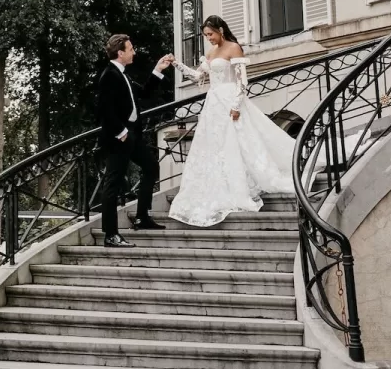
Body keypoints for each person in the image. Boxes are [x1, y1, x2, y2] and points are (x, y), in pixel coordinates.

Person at [164, 15, 294, 227]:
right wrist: (176, 64)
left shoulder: (234, 48)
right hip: (213, 104)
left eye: (211, 34)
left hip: (230, 101)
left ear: (220, 30)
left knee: (240, 142)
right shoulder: (210, 53)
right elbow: (198, 77)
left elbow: (243, 81)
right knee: (217, 145)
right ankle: (221, 184)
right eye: (206, 35)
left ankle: (243, 184)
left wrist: (236, 105)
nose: (209, 38)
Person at [96, 34, 174, 248]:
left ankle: (142, 217)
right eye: (131, 49)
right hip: (119, 137)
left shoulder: (123, 75)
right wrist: (121, 133)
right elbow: (104, 110)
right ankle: (111, 235)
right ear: (120, 52)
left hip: (132, 135)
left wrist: (158, 69)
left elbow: (144, 93)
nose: (134, 52)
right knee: (113, 183)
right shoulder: (109, 75)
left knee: (150, 166)